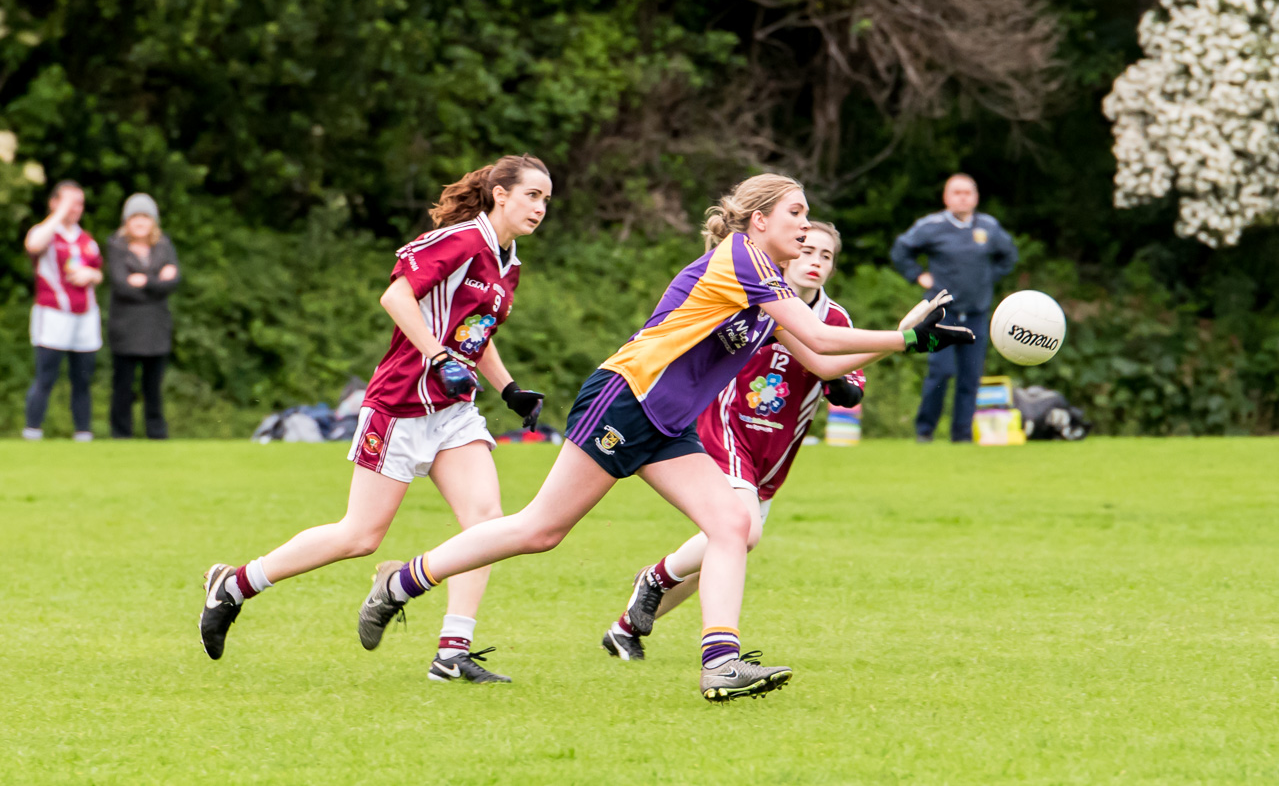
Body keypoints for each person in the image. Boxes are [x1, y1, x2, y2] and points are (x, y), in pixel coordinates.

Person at [353, 174, 975, 702]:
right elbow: (824, 338)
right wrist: (905, 338)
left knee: (732, 524)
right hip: (626, 398)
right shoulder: (743, 259)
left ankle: (721, 663)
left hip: (668, 424)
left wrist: (907, 345)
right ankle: (403, 580)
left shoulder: (771, 283)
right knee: (540, 530)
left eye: (808, 218)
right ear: (758, 221)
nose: (807, 228)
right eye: (796, 214)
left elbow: (820, 360)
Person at [200, 155, 552, 684]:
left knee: (488, 526)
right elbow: (395, 295)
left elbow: (476, 334)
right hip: (401, 405)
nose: (540, 208)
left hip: (454, 412)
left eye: (546, 200)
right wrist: (436, 357)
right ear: (500, 194)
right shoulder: (460, 241)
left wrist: (509, 388)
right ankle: (235, 585)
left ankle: (452, 653)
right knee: (360, 536)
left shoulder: (509, 263)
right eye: (532, 195)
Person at [599, 222, 951, 661]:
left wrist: (869, 363)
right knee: (742, 532)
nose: (815, 261)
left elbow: (838, 377)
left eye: (826, 256)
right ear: (787, 254)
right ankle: (661, 584)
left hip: (774, 453)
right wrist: (902, 339)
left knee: (724, 547)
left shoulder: (836, 318)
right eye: (808, 251)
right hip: (724, 431)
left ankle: (625, 628)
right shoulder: (757, 294)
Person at [890, 173, 1018, 443]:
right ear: (946, 197)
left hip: (976, 314)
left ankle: (961, 436)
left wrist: (988, 278)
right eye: (956, 192)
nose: (962, 197)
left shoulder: (988, 227)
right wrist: (918, 275)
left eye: (967, 192)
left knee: (970, 377)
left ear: (976, 197)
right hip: (942, 315)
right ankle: (925, 431)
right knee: (941, 371)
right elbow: (901, 250)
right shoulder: (932, 226)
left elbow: (1009, 255)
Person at [23, 181, 103, 442]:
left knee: (82, 378)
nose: (75, 209)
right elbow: (33, 245)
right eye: (69, 202)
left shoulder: (86, 240)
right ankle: (33, 430)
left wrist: (92, 274)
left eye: (79, 203)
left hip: (85, 316)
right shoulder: (46, 233)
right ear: (54, 202)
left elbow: (98, 271)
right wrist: (59, 214)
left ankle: (83, 433)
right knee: (46, 376)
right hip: (53, 314)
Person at [107, 193, 181, 439]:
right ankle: (121, 434)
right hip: (125, 328)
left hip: (156, 328)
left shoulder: (164, 245)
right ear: (126, 221)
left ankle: (156, 433)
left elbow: (173, 282)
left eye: (145, 217)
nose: (140, 222)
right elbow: (121, 285)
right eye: (135, 216)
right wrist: (157, 281)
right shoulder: (116, 246)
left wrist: (144, 281)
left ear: (153, 221)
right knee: (123, 386)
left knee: (153, 387)